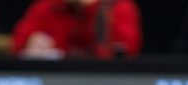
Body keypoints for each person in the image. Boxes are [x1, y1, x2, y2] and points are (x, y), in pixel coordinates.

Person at [12, 0, 142, 59]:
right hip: (58, 83)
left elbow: (128, 50)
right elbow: (17, 46)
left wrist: (91, 8)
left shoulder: (119, 7)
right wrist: (30, 46)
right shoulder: (46, 7)